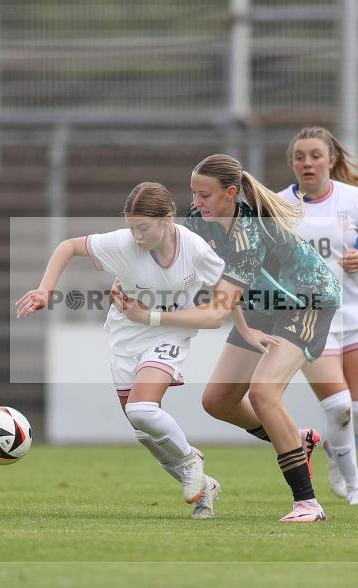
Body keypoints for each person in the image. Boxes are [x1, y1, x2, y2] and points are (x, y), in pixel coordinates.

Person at [118, 153, 342, 522]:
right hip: (262, 307)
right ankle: (296, 440)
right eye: (194, 193)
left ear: (231, 193)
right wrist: (125, 278)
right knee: (218, 401)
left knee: (263, 393)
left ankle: (308, 504)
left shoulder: (249, 233)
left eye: (205, 195)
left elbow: (216, 312)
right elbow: (171, 256)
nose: (197, 202)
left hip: (307, 302)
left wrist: (150, 317)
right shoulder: (198, 220)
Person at [15, 182, 226, 518]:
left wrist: (247, 329)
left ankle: (190, 460)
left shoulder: (195, 249)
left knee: (142, 409)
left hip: (170, 332)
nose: (136, 236)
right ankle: (205, 489)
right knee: (144, 430)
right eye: (131, 227)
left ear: (167, 218)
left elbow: (225, 297)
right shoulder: (123, 243)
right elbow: (68, 247)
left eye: (143, 227)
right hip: (126, 334)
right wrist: (45, 290)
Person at [275, 126, 358, 505]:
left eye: (315, 155)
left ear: (331, 159)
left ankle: (334, 451)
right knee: (339, 406)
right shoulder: (280, 205)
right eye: (299, 157)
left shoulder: (351, 198)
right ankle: (354, 484)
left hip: (351, 313)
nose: (307, 163)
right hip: (308, 320)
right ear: (292, 163)